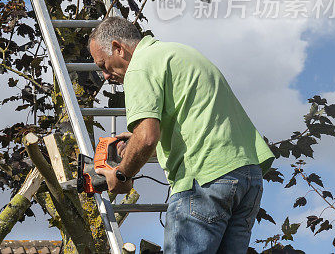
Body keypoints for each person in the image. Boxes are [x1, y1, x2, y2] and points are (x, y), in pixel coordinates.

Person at [87, 16, 274, 254]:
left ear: (118, 48)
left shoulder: (140, 65)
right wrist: (133, 143)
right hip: (247, 176)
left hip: (204, 181)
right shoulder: (178, 53)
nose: (105, 76)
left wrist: (121, 176)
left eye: (103, 65)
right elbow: (191, 127)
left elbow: (146, 137)